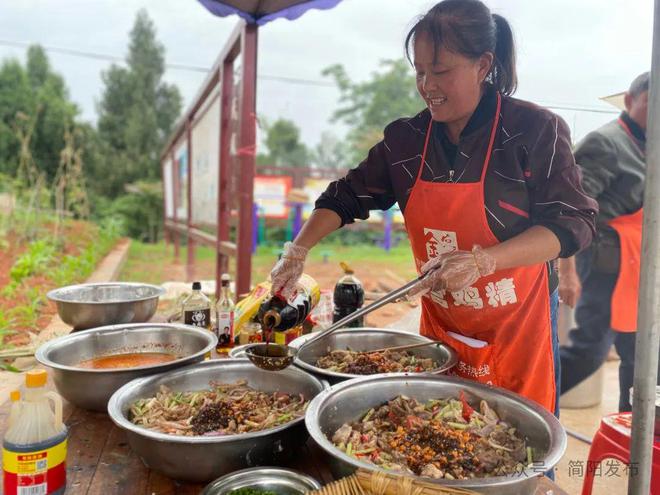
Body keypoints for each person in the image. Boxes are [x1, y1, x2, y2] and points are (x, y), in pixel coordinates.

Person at [270, 0, 597, 415]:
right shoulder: (406, 141)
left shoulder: (533, 131)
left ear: (483, 65)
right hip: (443, 322)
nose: (427, 85)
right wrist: (298, 250)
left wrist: (483, 262)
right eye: (420, 72)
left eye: (440, 71)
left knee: (518, 447)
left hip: (518, 324)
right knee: (438, 430)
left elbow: (571, 222)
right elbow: (346, 195)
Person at [559, 72, 657, 412]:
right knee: (589, 351)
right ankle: (526, 401)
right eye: (652, 102)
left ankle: (632, 431)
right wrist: (567, 272)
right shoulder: (607, 143)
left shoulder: (649, 146)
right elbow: (571, 211)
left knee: (642, 359)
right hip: (604, 266)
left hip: (636, 271)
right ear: (630, 102)